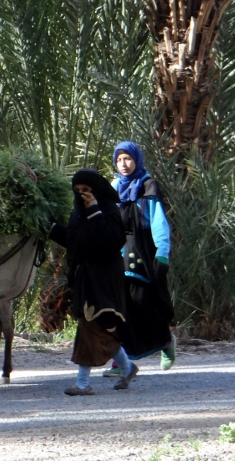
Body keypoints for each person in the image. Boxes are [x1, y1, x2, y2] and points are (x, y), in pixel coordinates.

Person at [50, 169, 137, 395]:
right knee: (99, 328)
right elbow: (75, 241)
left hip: (105, 276)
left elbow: (111, 240)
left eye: (86, 190)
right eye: (77, 191)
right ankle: (127, 368)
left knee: (91, 326)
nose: (82, 194)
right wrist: (51, 229)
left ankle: (82, 383)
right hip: (85, 277)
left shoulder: (108, 209)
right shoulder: (77, 212)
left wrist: (94, 210)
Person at [103, 141, 176, 377]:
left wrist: (162, 252)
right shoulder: (113, 186)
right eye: (119, 160)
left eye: (128, 159)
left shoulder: (148, 185)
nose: (123, 165)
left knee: (144, 303)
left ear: (136, 160)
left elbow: (158, 221)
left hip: (142, 250)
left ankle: (165, 342)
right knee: (119, 307)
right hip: (116, 252)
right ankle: (121, 362)